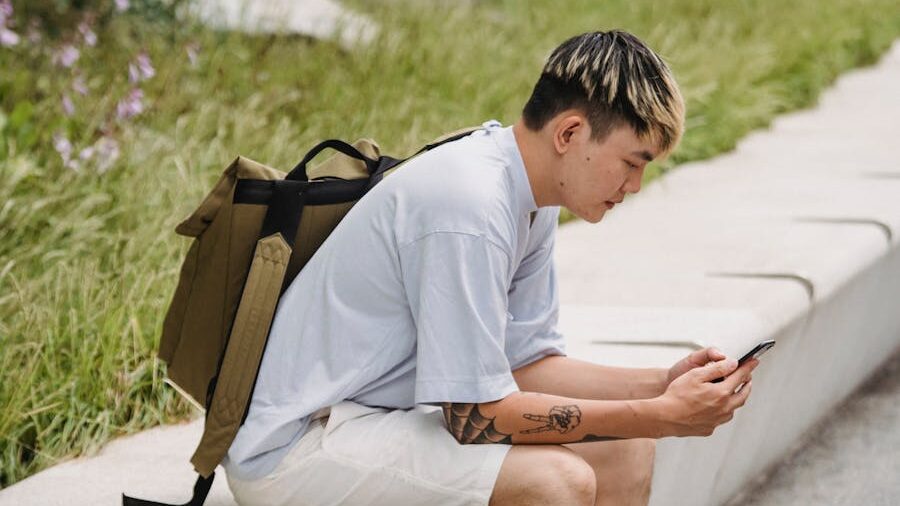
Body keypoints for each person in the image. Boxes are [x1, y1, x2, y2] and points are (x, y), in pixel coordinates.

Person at [222, 30, 758, 506]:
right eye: (632, 162)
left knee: (625, 450)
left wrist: (659, 386)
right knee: (556, 481)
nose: (635, 186)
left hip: (374, 419)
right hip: (297, 449)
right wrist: (658, 414)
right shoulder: (469, 205)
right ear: (569, 134)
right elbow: (474, 419)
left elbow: (524, 365)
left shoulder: (530, 194)